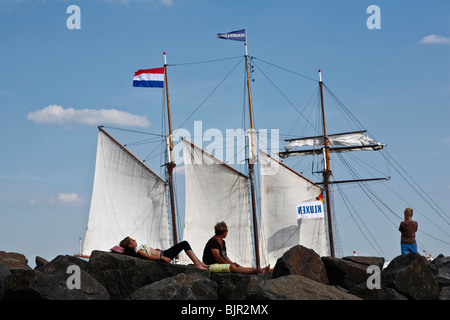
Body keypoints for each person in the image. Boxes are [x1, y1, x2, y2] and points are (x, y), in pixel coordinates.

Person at [202, 221, 269, 274]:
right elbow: (217, 257)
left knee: (236, 266)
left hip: (218, 264)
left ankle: (257, 270)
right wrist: (228, 265)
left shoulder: (222, 242)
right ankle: (255, 272)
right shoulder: (213, 242)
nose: (227, 233)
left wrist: (231, 263)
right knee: (232, 267)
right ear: (223, 232)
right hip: (210, 265)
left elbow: (225, 256)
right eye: (227, 231)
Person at [119, 236, 209, 270]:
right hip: (164, 256)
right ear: (130, 245)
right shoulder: (137, 250)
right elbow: (148, 257)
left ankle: (199, 263)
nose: (134, 240)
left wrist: (156, 250)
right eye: (132, 240)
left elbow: (150, 253)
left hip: (164, 253)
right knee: (184, 243)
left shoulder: (139, 248)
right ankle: (197, 264)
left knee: (184, 243)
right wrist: (162, 258)